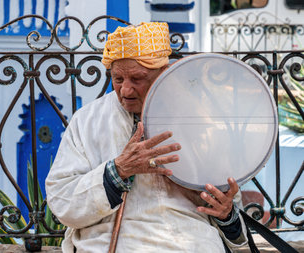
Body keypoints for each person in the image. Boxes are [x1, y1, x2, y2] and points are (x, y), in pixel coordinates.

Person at [46, 22, 248, 252]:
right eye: (118, 79)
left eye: (137, 79)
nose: (126, 91)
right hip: (109, 243)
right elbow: (62, 203)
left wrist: (225, 213)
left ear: (163, 74)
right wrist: (118, 171)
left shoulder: (199, 120)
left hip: (190, 241)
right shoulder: (87, 120)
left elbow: (232, 224)